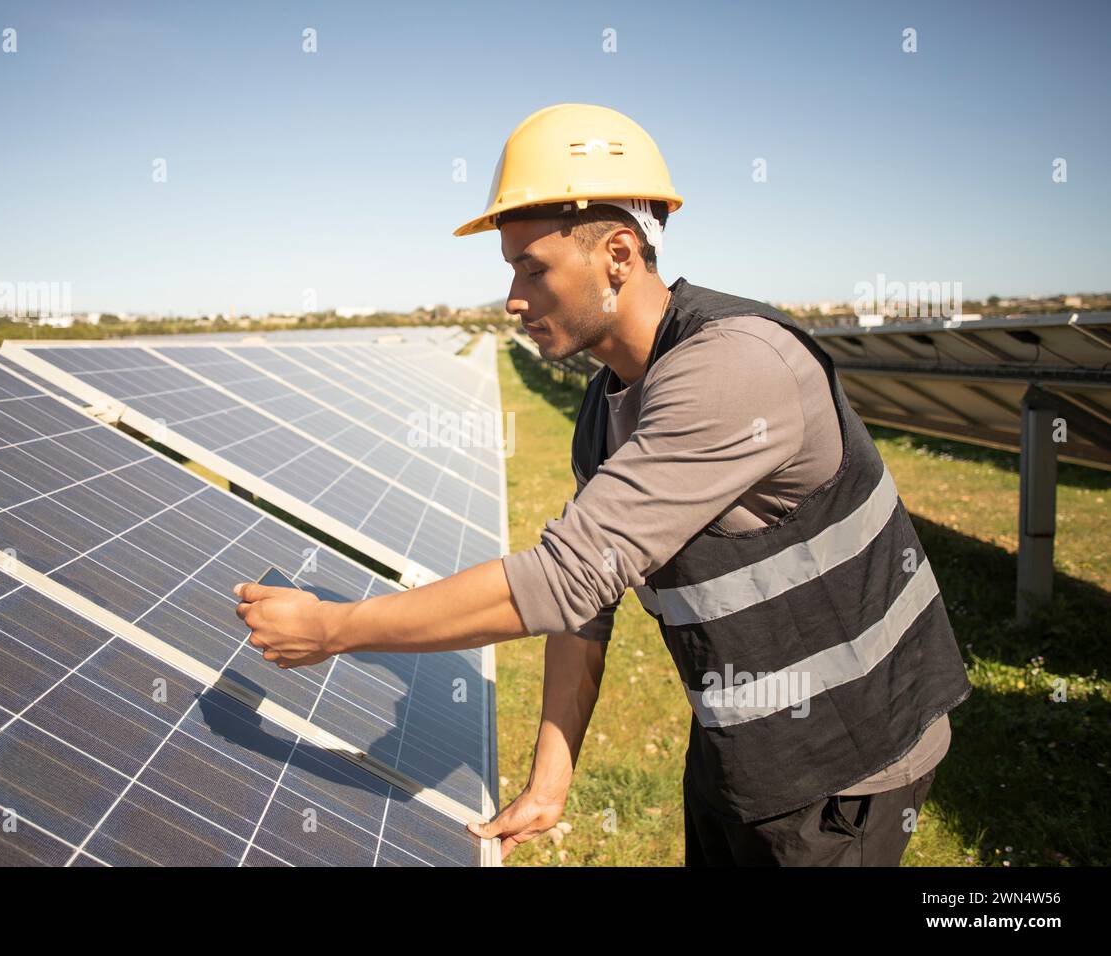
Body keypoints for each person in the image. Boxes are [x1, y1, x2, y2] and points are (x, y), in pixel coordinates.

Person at [232, 103, 971, 866]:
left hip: (846, 761)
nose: (514, 299)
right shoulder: (609, 398)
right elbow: (586, 604)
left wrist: (333, 630)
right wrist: (552, 779)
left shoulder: (733, 370)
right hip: (742, 738)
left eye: (532, 267)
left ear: (618, 253)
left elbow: (561, 580)